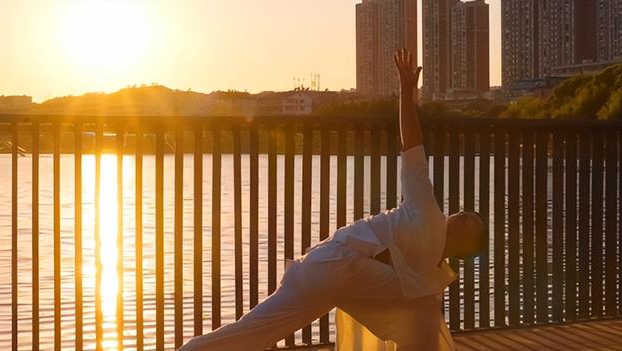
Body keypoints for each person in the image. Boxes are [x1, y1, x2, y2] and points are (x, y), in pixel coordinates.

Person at [178, 49, 487, 351]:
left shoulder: (433, 272)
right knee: (421, 311)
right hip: (336, 266)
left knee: (253, 331)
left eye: (472, 220)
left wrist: (407, 92)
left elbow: (413, 147)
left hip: (322, 267)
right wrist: (406, 93)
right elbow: (413, 148)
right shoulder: (427, 215)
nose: (464, 214)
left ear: (467, 244)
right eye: (468, 213)